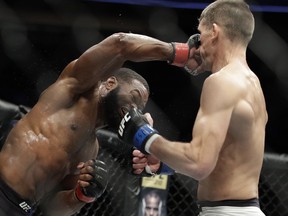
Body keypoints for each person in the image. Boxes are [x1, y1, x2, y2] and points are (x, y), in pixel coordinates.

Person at [0, 31, 181, 215]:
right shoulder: (72, 90)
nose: (134, 110)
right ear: (110, 83)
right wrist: (176, 51)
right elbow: (120, 43)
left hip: (19, 210)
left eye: (139, 108)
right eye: (133, 98)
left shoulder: (91, 150)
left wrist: (81, 195)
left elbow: (53, 208)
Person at [118, 0, 268, 215]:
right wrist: (164, 162)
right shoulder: (252, 84)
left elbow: (199, 162)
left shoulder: (221, 82)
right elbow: (223, 162)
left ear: (214, 32)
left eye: (201, 33)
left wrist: (144, 136)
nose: (198, 44)